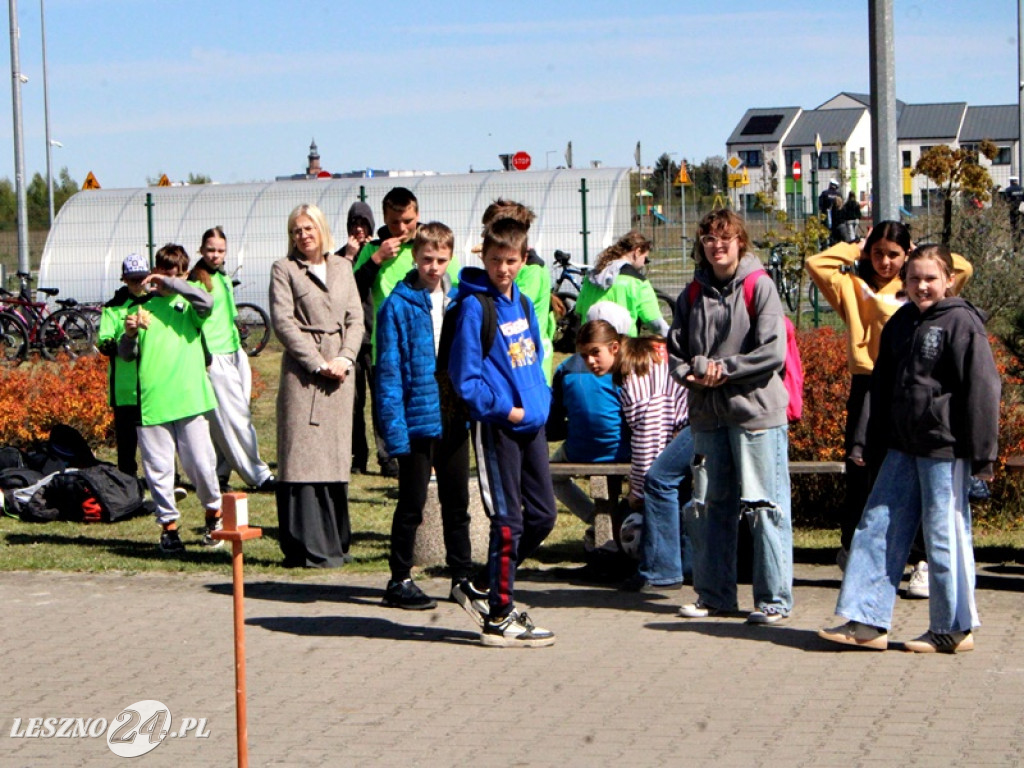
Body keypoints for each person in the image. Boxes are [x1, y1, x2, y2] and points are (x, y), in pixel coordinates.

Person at [819, 244, 999, 653]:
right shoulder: (900, 322)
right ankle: (866, 620)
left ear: (949, 280)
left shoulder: (962, 323)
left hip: (944, 448)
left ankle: (952, 629)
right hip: (901, 445)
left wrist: (983, 455)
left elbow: (984, 389)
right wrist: (866, 438)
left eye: (931, 278)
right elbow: (880, 387)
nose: (922, 286)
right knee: (876, 524)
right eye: (914, 278)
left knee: (943, 535)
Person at [805, 223, 973, 595]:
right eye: (878, 254)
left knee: (914, 473)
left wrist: (917, 252)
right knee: (863, 473)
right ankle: (855, 553)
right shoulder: (854, 288)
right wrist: (858, 247)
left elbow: (961, 268)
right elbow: (817, 263)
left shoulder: (917, 289)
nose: (885, 262)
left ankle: (922, 560)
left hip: (911, 386)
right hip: (868, 386)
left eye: (894, 255)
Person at [670, 209, 793, 624]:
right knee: (708, 506)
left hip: (756, 414)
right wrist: (689, 372)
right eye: (708, 239)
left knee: (764, 508)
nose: (717, 246)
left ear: (740, 241)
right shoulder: (691, 294)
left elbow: (772, 351)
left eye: (725, 238)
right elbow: (675, 350)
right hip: (707, 416)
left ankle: (773, 599)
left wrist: (727, 369)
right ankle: (715, 595)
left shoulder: (760, 287)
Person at [448, 214, 557, 647]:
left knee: (544, 517)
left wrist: (540, 401)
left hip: (533, 424)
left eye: (511, 260)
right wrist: (506, 410)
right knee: (509, 521)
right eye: (495, 260)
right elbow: (466, 380)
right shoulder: (475, 306)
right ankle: (499, 615)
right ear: (484, 257)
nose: (503, 269)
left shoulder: (526, 303)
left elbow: (531, 357)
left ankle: (481, 584)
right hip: (499, 427)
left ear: (524, 258)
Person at [374, 222, 480, 610]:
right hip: (416, 414)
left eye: (440, 260)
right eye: (426, 259)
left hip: (453, 413)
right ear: (414, 258)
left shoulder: (460, 300)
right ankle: (399, 577)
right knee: (412, 503)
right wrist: (394, 430)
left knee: (457, 501)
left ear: (451, 257)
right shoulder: (397, 305)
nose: (433, 267)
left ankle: (462, 575)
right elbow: (388, 372)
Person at [269, 204, 363, 567]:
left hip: (340, 374)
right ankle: (307, 546)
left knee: (335, 458)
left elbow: (356, 318)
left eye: (309, 228)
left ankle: (336, 542)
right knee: (303, 458)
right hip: (304, 377)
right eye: (296, 230)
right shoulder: (285, 269)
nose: (303, 235)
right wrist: (317, 362)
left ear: (322, 230)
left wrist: (345, 357)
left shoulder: (342, 267)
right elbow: (283, 321)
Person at [117, 244, 221, 554]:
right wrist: (130, 334)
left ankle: (214, 515)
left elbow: (207, 300)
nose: (167, 278)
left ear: (185, 274)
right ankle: (169, 527)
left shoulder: (190, 307)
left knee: (201, 465)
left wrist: (173, 284)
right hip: (153, 404)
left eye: (175, 272)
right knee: (159, 469)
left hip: (190, 400)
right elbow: (126, 355)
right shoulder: (141, 310)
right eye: (162, 271)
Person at [576, 317, 690, 593]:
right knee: (674, 490)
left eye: (595, 352)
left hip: (699, 423)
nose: (590, 361)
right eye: (584, 355)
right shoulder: (641, 356)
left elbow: (650, 440)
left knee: (657, 484)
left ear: (614, 347)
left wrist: (636, 490)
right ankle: (682, 566)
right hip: (696, 422)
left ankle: (658, 570)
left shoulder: (637, 377)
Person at [188, 227, 275, 493]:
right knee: (235, 419)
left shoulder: (223, 278)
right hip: (215, 356)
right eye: (211, 250)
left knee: (232, 417)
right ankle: (258, 475)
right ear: (201, 250)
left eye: (221, 250)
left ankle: (220, 472)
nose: (216, 255)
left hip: (234, 352)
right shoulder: (197, 282)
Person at [547, 302, 632, 529]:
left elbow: (553, 423)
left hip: (580, 449)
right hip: (624, 450)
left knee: (551, 476)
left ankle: (594, 520)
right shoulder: (627, 367)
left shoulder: (567, 367)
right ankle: (619, 519)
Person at [480, 199, 557, 384]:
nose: (484, 235)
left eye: (489, 229)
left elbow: (509, 311)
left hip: (527, 359)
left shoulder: (531, 271)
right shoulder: (510, 267)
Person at [97, 254, 153, 478]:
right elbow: (104, 340)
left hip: (152, 384)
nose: (138, 284)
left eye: (142, 278)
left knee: (155, 439)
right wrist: (118, 341)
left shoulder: (157, 302)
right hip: (124, 387)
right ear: (124, 280)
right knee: (126, 440)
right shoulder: (113, 308)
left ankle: (163, 477)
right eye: (132, 279)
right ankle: (127, 480)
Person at [338, 201, 378, 475]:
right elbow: (340, 289)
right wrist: (349, 257)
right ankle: (357, 456)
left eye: (364, 224)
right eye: (355, 224)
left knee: (381, 400)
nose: (359, 229)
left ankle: (387, 457)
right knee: (353, 403)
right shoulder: (339, 259)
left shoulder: (380, 253)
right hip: (351, 339)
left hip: (376, 337)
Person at [574, 231, 668, 337]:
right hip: (624, 345)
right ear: (637, 252)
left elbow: (579, 311)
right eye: (645, 259)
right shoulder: (638, 282)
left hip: (590, 341)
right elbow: (655, 323)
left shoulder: (591, 278)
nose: (644, 264)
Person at [819, 179, 843, 245]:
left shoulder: (824, 193)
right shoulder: (839, 195)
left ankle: (825, 243)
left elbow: (820, 205)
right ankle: (833, 242)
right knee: (834, 231)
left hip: (825, 215)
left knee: (825, 230)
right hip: (836, 217)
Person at [1003, 175, 1024, 242]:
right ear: (1016, 181)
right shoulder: (1022, 189)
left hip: (1013, 209)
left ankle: (1015, 241)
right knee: (1021, 224)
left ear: (1011, 182)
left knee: (1014, 226)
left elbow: (1006, 199)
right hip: (1022, 209)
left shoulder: (1008, 190)